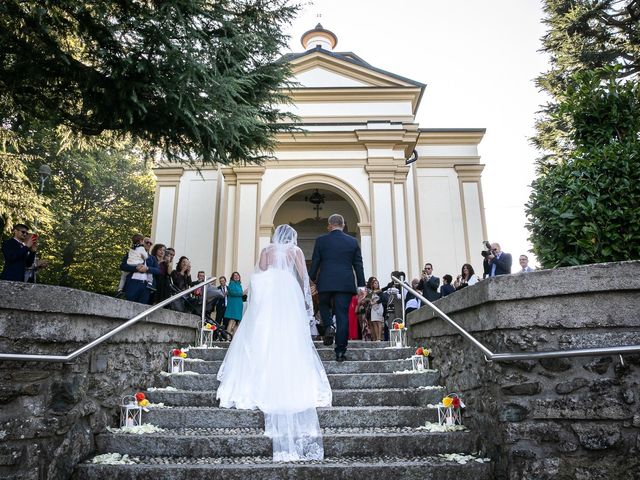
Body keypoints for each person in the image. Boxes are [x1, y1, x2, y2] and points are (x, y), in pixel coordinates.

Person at [217, 224, 331, 461]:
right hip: (287, 291)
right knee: (288, 330)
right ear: (292, 238)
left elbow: (259, 271)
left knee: (263, 330)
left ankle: (257, 374)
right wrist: (307, 301)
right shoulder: (295, 251)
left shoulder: (267, 249)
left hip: (269, 292)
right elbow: (303, 277)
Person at [309, 214, 366, 362]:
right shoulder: (353, 242)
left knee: (323, 305)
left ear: (329, 225)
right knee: (342, 316)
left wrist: (312, 280)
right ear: (343, 225)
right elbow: (358, 265)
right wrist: (361, 285)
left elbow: (315, 262)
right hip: (345, 284)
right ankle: (340, 351)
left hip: (326, 282)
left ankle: (329, 326)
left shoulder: (321, 240)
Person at [365, 277, 388, 342]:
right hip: (373, 308)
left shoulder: (379, 292)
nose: (376, 284)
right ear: (372, 285)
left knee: (379, 322)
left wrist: (375, 302)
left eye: (377, 283)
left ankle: (379, 338)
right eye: (375, 283)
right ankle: (376, 338)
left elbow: (384, 299)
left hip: (379, 307)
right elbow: (367, 299)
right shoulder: (371, 292)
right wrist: (368, 301)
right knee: (374, 322)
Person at [225, 271, 245, 336]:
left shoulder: (239, 285)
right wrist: (242, 293)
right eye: (235, 276)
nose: (236, 277)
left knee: (237, 322)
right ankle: (227, 336)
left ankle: (234, 337)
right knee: (232, 320)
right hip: (233, 305)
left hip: (239, 305)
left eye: (237, 275)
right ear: (232, 278)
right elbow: (233, 293)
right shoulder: (232, 283)